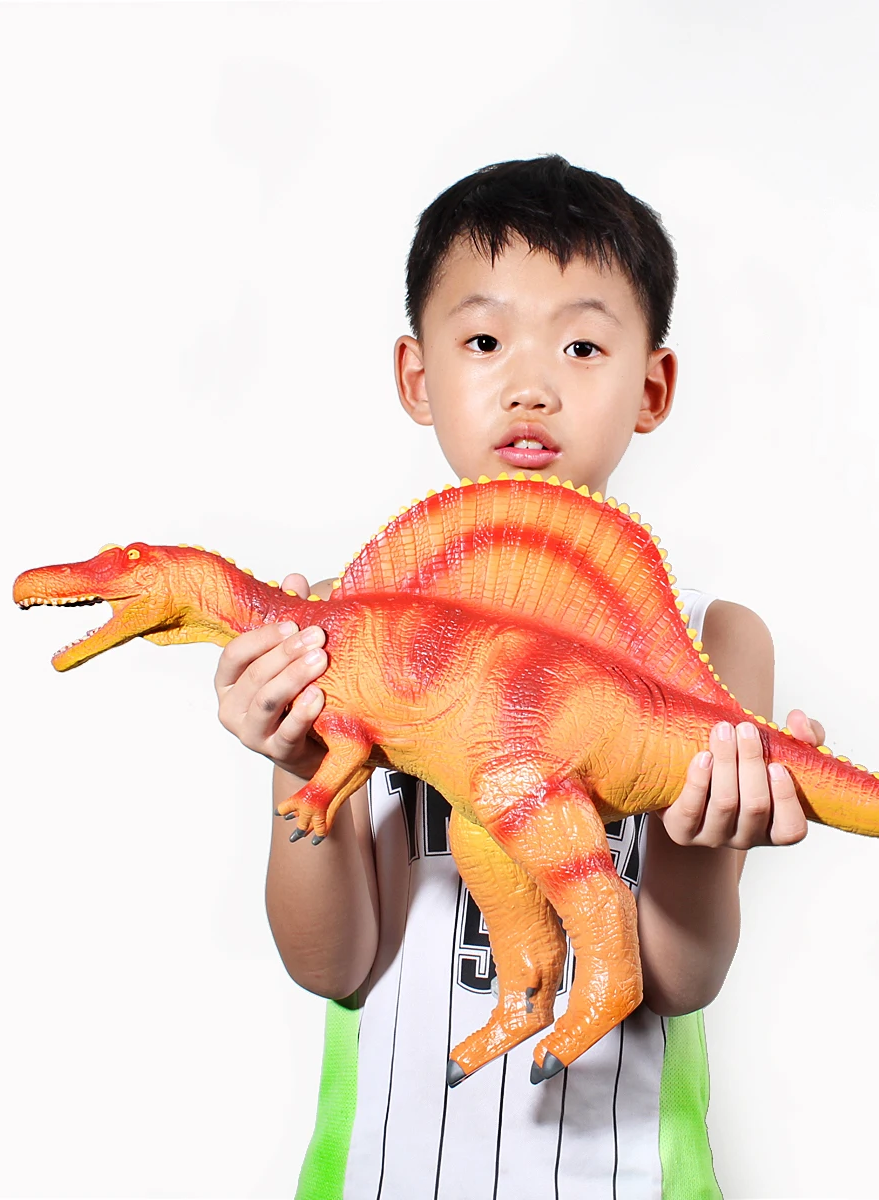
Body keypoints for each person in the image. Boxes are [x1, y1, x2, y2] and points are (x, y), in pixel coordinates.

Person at [214, 155, 825, 1199]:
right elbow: (330, 966)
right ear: (417, 376)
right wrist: (298, 763)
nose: (530, 384)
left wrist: (698, 836)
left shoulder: (715, 642)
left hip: (629, 1170)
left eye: (582, 345)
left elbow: (683, 979)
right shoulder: (339, 622)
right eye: (485, 341)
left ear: (652, 387)